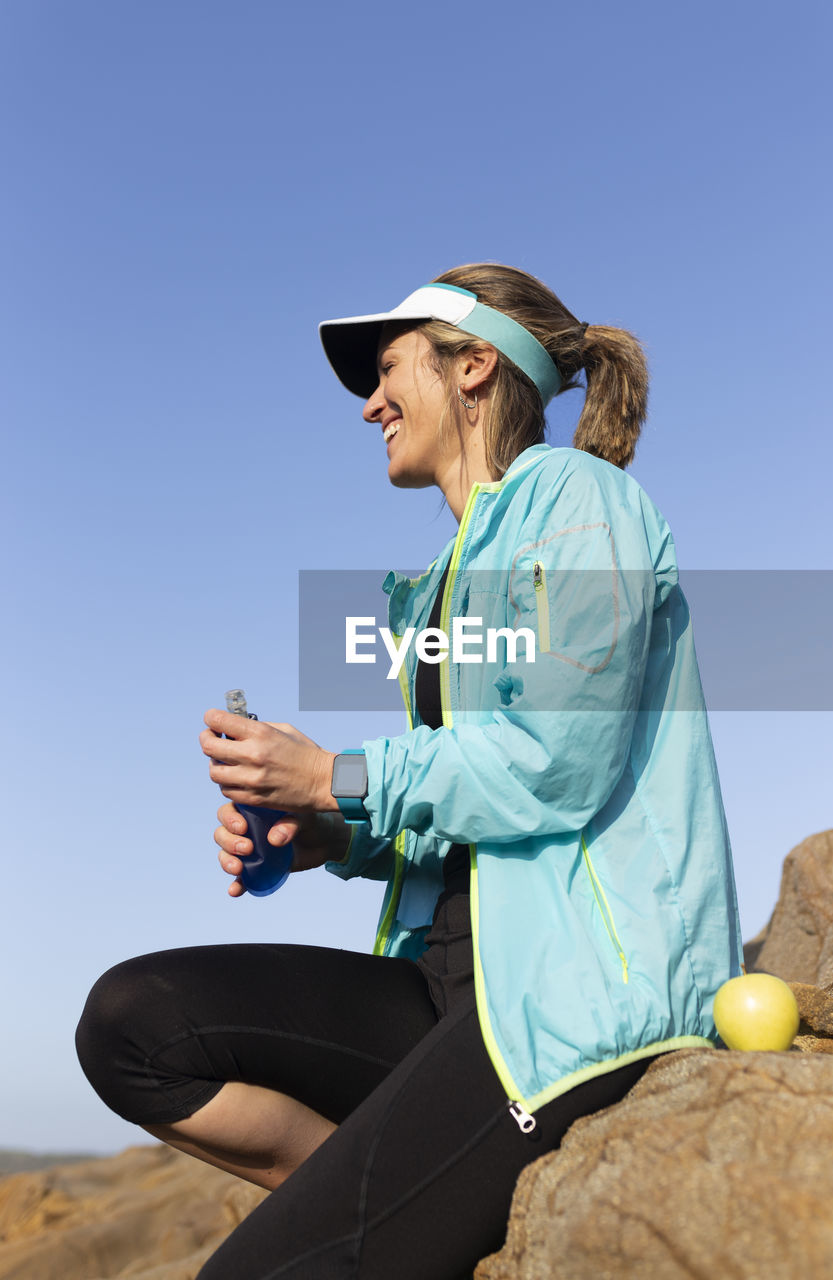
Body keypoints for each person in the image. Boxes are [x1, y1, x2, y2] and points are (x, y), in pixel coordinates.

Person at [76, 263, 743, 1280]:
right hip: (446, 982)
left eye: (389, 369)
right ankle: (378, 1200)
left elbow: (555, 761)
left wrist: (335, 776)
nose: (369, 403)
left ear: (474, 366)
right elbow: (464, 801)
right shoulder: (439, 580)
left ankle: (376, 1217)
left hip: (568, 1002)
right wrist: (331, 836)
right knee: (132, 1024)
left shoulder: (580, 500)